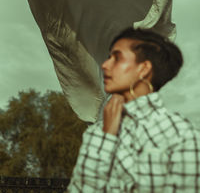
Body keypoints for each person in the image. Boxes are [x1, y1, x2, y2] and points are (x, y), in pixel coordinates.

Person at [67, 27, 200, 192]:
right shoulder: (96, 133)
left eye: (116, 58)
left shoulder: (180, 134)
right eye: (108, 57)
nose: (105, 65)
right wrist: (106, 138)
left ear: (143, 69)